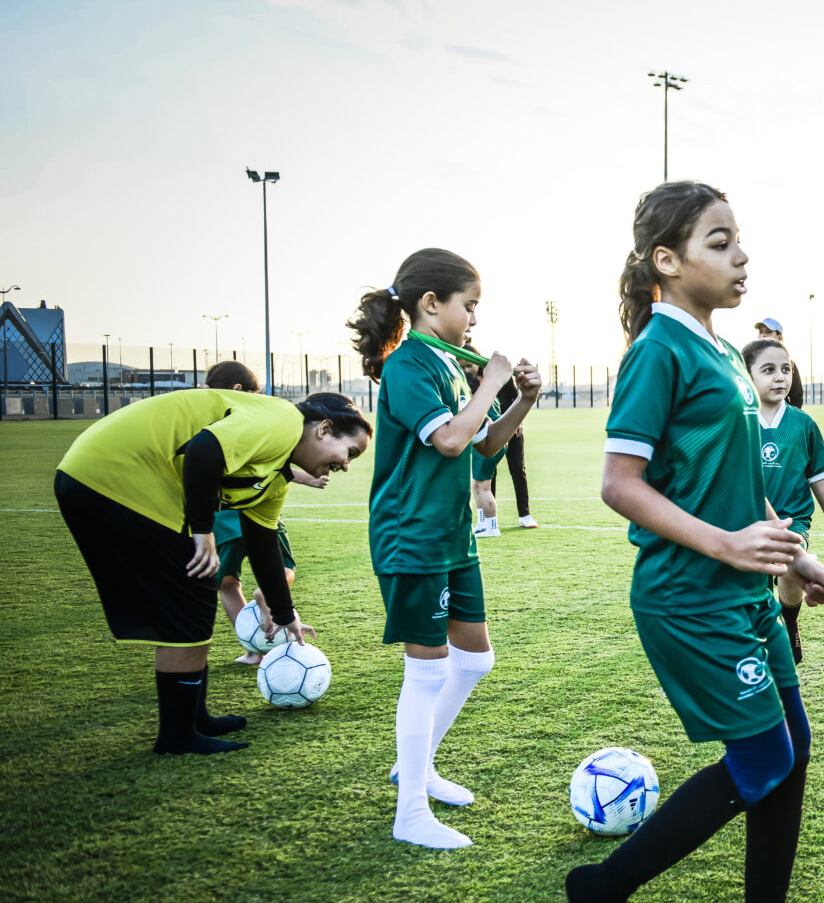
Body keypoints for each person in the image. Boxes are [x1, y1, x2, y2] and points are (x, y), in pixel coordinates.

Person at [565, 181, 824, 903]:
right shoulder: (659, 349)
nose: (741, 254)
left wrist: (791, 557)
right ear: (666, 260)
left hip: (744, 596)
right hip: (689, 599)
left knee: (792, 754)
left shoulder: (721, 349)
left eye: (738, 240)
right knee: (760, 760)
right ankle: (601, 886)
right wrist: (725, 545)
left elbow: (730, 483)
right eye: (718, 241)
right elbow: (621, 484)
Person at [348, 249, 543, 849]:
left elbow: (485, 445)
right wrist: (490, 380)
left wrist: (521, 399)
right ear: (432, 304)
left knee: (475, 659)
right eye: (470, 307)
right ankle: (410, 813)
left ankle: (420, 765)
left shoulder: (450, 365)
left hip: (452, 536)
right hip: (414, 537)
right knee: (426, 671)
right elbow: (453, 441)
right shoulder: (409, 366)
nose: (475, 321)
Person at [54, 387, 368, 754]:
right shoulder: (284, 420)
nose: (346, 465)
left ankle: (193, 719)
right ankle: (177, 736)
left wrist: (286, 616)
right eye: (350, 452)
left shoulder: (275, 476)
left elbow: (263, 543)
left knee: (198, 590)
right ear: (324, 429)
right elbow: (205, 448)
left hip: (104, 480)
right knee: (189, 598)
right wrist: (203, 532)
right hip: (114, 479)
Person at [201, 361, 326, 665]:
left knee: (227, 584)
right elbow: (270, 464)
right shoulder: (259, 417)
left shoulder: (207, 422)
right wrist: (308, 477)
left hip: (222, 516)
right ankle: (265, 594)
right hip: (259, 511)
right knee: (283, 569)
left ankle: (254, 650)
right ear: (239, 390)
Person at [742, 336, 824, 663]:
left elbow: (819, 478)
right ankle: (762, 634)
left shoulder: (803, 424)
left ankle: (790, 621)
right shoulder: (738, 424)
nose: (780, 377)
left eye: (786, 369)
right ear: (748, 376)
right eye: (768, 370)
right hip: (747, 521)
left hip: (793, 519)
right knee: (753, 585)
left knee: (787, 556)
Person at [462, 345, 504, 538]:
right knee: (477, 485)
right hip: (486, 437)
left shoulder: (477, 392)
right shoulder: (485, 389)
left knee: (483, 486)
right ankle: (482, 523)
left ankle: (491, 525)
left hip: (486, 438)